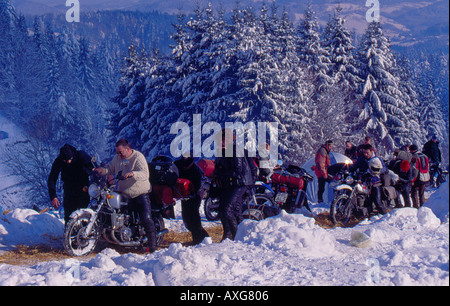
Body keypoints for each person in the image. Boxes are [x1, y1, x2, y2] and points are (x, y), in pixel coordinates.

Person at [94, 139, 157, 252]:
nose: (119, 154)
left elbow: (145, 173)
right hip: (124, 193)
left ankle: (152, 247)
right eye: (117, 152)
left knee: (146, 218)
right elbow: (109, 169)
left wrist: (133, 174)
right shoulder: (117, 158)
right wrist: (101, 170)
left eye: (121, 152)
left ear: (128, 149)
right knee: (115, 214)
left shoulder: (138, 157)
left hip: (140, 193)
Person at [214, 129, 258, 241]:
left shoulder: (234, 150)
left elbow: (237, 170)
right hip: (231, 183)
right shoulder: (224, 151)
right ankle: (229, 236)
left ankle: (236, 236)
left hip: (239, 184)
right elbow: (220, 167)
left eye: (221, 140)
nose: (219, 142)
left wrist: (222, 174)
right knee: (232, 211)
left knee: (227, 210)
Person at [48, 144, 93, 223]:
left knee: (83, 214)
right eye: (65, 160)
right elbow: (52, 178)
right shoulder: (59, 161)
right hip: (69, 189)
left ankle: (83, 233)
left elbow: (94, 168)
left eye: (70, 159)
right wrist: (53, 196)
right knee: (69, 215)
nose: (68, 161)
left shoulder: (81, 155)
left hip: (83, 188)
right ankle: (69, 233)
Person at [174, 155, 209, 245]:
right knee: (186, 217)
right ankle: (205, 237)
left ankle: (197, 240)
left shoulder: (196, 170)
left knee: (194, 215)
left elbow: (199, 184)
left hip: (195, 193)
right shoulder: (177, 164)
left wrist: (194, 193)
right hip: (184, 193)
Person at [350, 144, 388, 215]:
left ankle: (384, 216)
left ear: (371, 151)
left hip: (375, 182)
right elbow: (354, 167)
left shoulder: (377, 159)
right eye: (364, 152)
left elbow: (384, 169)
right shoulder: (361, 159)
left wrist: (374, 171)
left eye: (367, 153)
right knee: (364, 200)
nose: (365, 154)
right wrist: (348, 169)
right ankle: (365, 214)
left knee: (377, 201)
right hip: (363, 182)